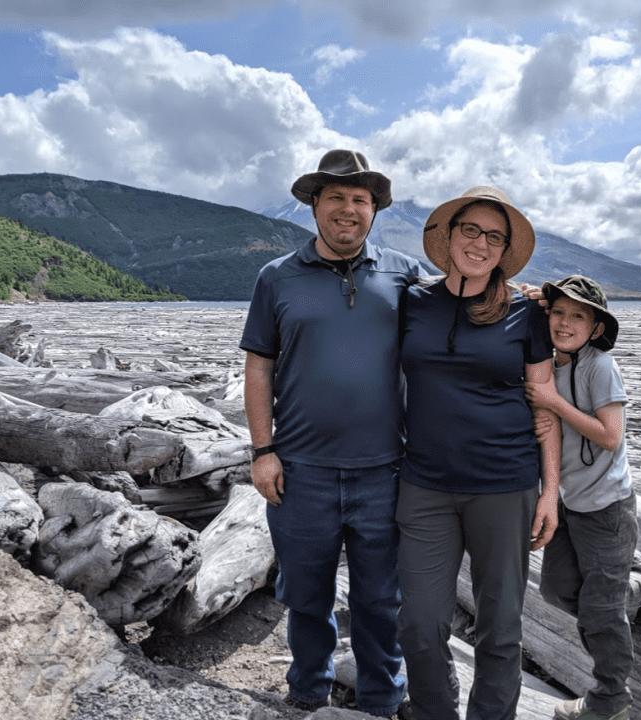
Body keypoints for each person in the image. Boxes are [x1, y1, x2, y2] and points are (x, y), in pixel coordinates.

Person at [239, 149, 423, 717]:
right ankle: (308, 694)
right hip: (301, 472)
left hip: (385, 472)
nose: (349, 209)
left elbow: (459, 322)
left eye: (360, 199)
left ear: (374, 210)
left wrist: (524, 299)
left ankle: (380, 701)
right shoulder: (277, 277)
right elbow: (258, 367)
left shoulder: (404, 274)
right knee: (306, 596)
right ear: (314, 205)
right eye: (337, 197)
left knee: (380, 601)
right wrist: (263, 450)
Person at [395, 186, 562, 720]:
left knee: (500, 626)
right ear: (448, 236)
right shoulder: (412, 302)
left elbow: (545, 405)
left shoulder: (525, 311)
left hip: (505, 484)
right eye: (471, 230)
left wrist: (550, 491)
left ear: (504, 249)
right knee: (419, 624)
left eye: (494, 236)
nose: (481, 243)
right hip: (424, 486)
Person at [524, 275, 641, 720]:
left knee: (599, 613)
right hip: (568, 504)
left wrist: (552, 402)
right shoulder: (547, 364)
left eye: (577, 315)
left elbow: (611, 437)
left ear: (596, 328)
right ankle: (630, 594)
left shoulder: (600, 366)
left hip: (608, 510)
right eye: (557, 312)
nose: (564, 322)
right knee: (556, 591)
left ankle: (610, 699)